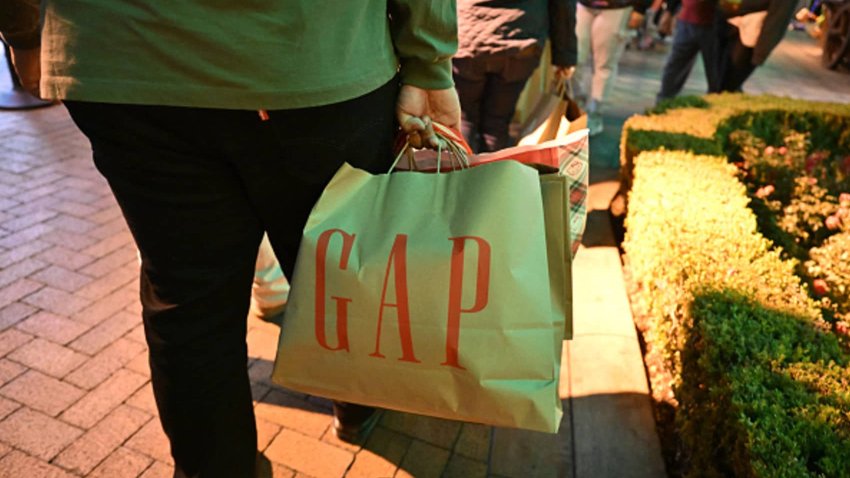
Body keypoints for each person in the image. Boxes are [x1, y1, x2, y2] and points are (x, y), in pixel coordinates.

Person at [1, 1, 460, 477]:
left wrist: (23, 33)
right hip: (314, 57)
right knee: (341, 273)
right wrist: (428, 59)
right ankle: (358, 404)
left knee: (189, 303)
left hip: (123, 58)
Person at [453, 0, 578, 153]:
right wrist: (564, 56)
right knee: (497, 121)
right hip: (520, 39)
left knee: (464, 118)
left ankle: (462, 174)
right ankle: (491, 174)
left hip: (469, 36)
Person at [573, 0, 650, 135]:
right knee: (574, 60)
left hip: (618, 7)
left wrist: (640, 8)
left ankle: (594, 115)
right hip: (583, 5)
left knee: (604, 64)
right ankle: (575, 108)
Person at [714, 0, 797, 92]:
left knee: (728, 83)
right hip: (724, 24)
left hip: (749, 34)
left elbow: (778, 17)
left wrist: (761, 52)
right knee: (718, 80)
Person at [655, 0, 721, 104]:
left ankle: (720, 109)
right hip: (687, 22)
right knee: (674, 68)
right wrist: (668, 12)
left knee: (718, 75)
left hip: (716, 25)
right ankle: (662, 105)